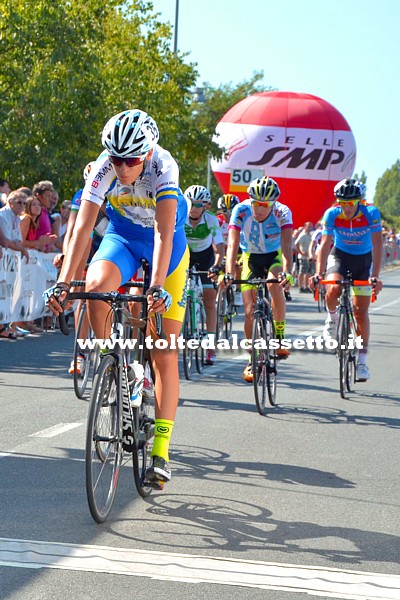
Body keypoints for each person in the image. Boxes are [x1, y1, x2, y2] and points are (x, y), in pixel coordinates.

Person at [44, 108, 189, 485]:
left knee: (165, 351)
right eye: (116, 159)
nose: (123, 168)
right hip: (123, 237)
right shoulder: (103, 168)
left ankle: (160, 450)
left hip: (165, 246)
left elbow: (163, 233)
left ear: (146, 154)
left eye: (131, 160)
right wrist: (63, 282)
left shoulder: (163, 167)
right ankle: (115, 364)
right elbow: (82, 229)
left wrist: (156, 286)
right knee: (96, 285)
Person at [221, 176, 294, 382]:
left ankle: (279, 338)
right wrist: (228, 272)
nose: (260, 208)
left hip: (273, 257)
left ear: (273, 204)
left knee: (275, 286)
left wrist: (288, 272)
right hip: (250, 258)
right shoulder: (241, 211)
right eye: (256, 203)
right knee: (249, 311)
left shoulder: (282, 212)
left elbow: (287, 247)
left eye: (265, 204)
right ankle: (252, 359)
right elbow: (232, 246)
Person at [310, 178, 383, 382]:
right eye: (343, 203)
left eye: (350, 203)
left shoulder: (371, 213)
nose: (347, 208)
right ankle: (332, 319)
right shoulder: (332, 214)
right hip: (340, 255)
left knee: (361, 312)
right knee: (333, 289)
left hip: (363, 259)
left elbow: (378, 244)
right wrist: (318, 273)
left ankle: (361, 361)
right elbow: (324, 245)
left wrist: (375, 275)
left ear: (359, 201)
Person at [184, 185, 224, 365]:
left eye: (198, 204)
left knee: (209, 301)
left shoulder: (211, 220)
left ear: (205, 206)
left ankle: (210, 347)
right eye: (191, 203)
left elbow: (219, 248)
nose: (193, 207)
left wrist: (216, 266)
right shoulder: (179, 216)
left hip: (206, 256)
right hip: (184, 254)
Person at [32, 181, 59, 252]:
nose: (50, 199)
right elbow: (25, 238)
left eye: (51, 196)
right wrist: (37, 245)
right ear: (38, 196)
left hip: (42, 257)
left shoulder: (45, 211)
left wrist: (50, 244)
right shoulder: (34, 212)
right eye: (48, 196)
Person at [295, 221, 314, 292]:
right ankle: (300, 287)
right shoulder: (303, 235)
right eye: (308, 226)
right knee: (302, 271)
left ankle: (306, 286)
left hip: (309, 257)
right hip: (303, 257)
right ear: (305, 226)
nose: (309, 228)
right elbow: (296, 243)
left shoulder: (311, 235)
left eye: (311, 226)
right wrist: (300, 252)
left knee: (308, 272)